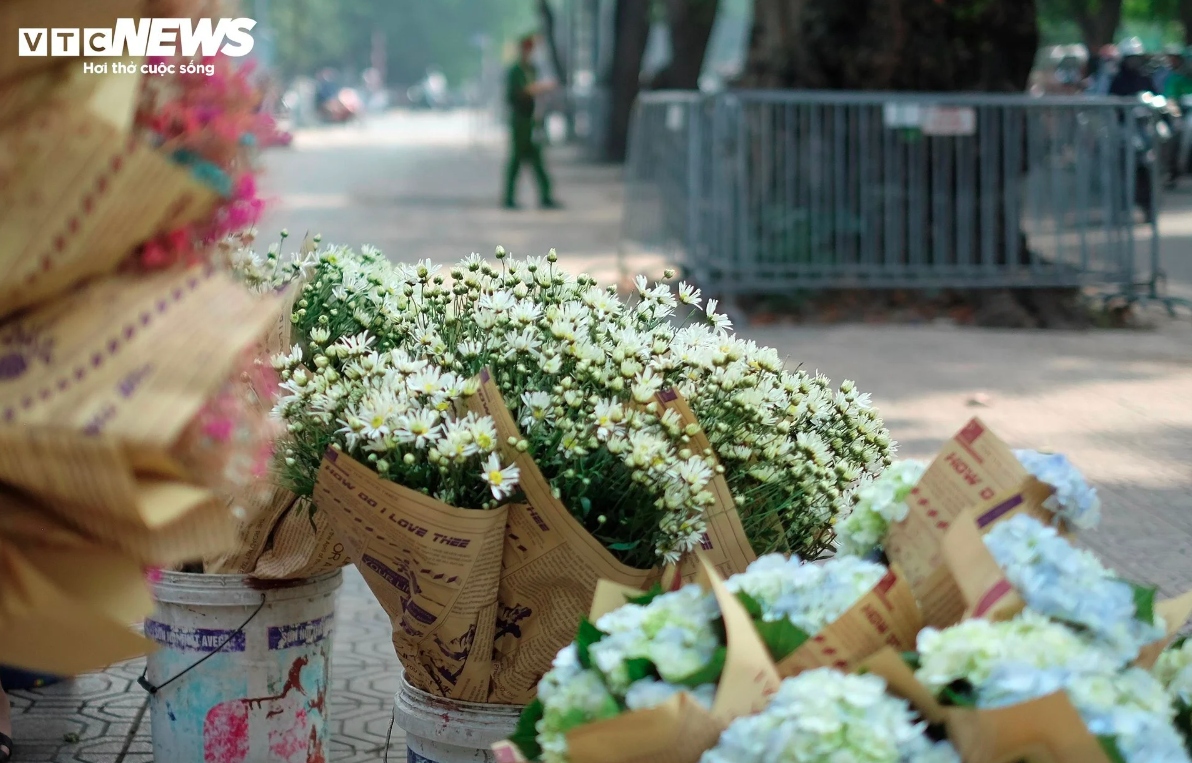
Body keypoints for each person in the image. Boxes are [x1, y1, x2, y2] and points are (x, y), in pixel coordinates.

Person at [503, 34, 561, 210]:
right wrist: (542, 87)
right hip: (520, 119)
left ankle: (545, 196)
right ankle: (509, 197)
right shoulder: (516, 71)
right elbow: (522, 92)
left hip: (532, 119)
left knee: (537, 160)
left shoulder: (532, 69)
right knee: (517, 159)